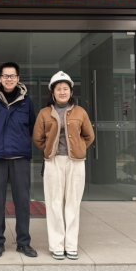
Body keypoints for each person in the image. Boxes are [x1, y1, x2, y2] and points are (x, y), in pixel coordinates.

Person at [33, 71, 94, 260]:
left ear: (70, 91)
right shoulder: (44, 113)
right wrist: (49, 150)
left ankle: (71, 245)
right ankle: (57, 246)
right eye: (58, 89)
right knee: (54, 203)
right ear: (52, 92)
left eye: (65, 89)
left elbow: (89, 136)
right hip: (53, 162)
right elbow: (38, 137)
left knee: (73, 203)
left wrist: (78, 148)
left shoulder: (80, 112)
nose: (62, 92)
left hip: (76, 162)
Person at [0, 62, 38, 258]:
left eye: (12, 76)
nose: (9, 79)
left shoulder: (26, 101)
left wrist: (22, 144)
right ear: (0, 78)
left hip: (19, 157)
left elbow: (32, 126)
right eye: (5, 76)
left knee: (22, 201)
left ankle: (24, 242)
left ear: (18, 78)